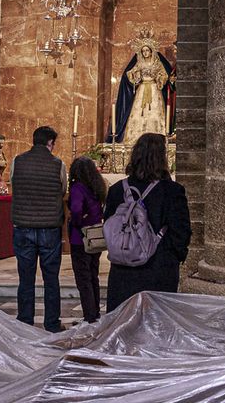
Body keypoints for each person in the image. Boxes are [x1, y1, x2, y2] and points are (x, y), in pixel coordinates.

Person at [103, 132, 190, 311]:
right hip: (159, 267)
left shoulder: (117, 190)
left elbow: (109, 225)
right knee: (156, 320)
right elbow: (181, 231)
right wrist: (175, 256)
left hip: (123, 269)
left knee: (124, 320)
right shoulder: (172, 191)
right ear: (162, 158)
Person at [10, 125, 66, 332]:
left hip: (23, 226)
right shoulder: (58, 164)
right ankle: (52, 323)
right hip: (49, 228)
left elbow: (13, 185)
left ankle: (25, 321)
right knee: (51, 279)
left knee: (26, 278)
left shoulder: (17, 161)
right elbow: (63, 189)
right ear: (50, 143)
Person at [67, 156, 108, 324]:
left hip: (80, 238)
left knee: (83, 279)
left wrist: (75, 221)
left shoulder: (78, 187)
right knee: (93, 276)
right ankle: (95, 312)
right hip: (95, 236)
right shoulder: (97, 186)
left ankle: (89, 315)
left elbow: (76, 209)